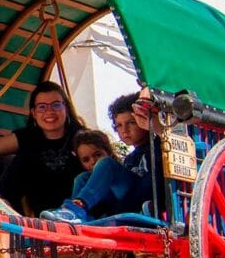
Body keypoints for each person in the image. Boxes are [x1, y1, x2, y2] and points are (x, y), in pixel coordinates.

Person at [0, 80, 85, 216]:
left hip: (76, 211)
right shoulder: (28, 137)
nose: (49, 112)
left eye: (56, 105)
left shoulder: (81, 137)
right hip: (43, 213)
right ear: (34, 113)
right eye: (42, 107)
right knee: (14, 159)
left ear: (66, 108)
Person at [40, 90, 160, 224]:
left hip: (144, 198)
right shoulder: (130, 159)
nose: (124, 130)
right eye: (119, 125)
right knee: (83, 177)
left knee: (107, 164)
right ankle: (76, 215)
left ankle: (77, 209)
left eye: (131, 123)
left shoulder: (157, 147)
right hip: (125, 200)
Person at [71, 128, 115, 197]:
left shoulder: (120, 173)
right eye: (86, 160)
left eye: (98, 155)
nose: (93, 161)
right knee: (81, 178)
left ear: (109, 153)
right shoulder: (84, 180)